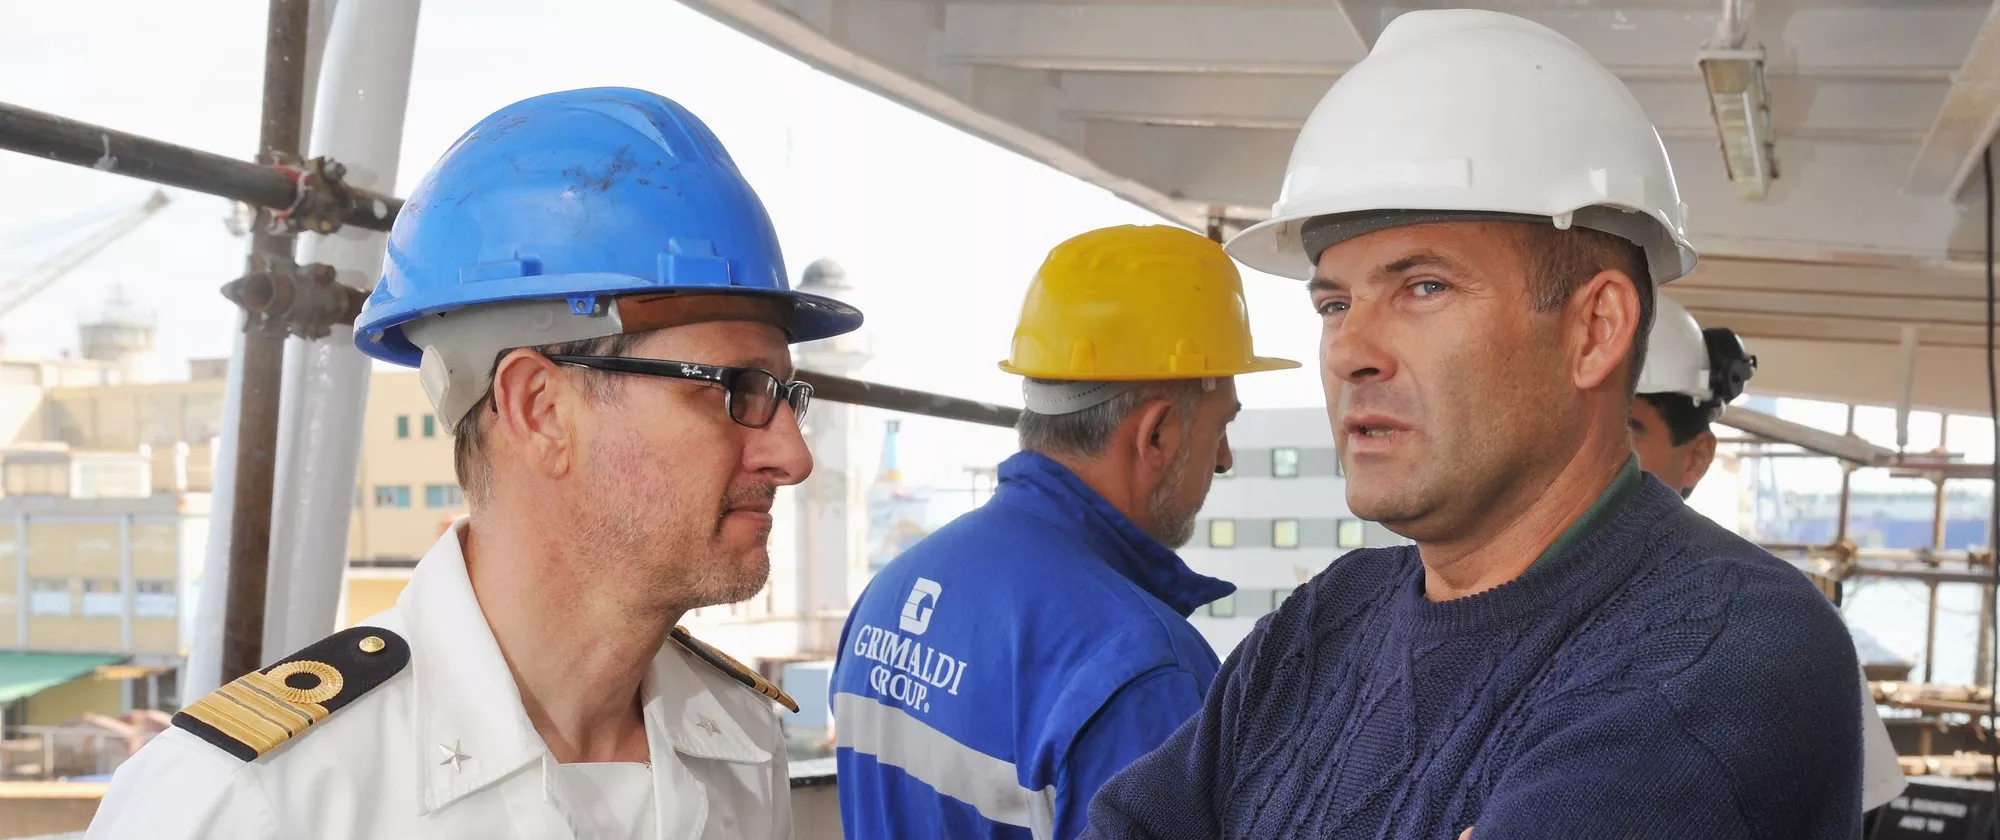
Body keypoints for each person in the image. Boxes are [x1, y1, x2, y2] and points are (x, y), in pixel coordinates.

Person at [1083, 10, 1862, 839]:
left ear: (1594, 329)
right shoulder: (1331, 619)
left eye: (1423, 287)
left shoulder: (1728, 656)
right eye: (1335, 302)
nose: (1350, 350)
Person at [86, 87, 862, 839]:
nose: (791, 455)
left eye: (786, 395)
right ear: (539, 408)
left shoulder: (739, 737)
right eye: (737, 390)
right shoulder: (252, 804)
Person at [830, 224, 1298, 840]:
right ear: (1156, 434)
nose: (1224, 459)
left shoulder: (891, 591)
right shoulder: (1142, 669)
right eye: (1220, 426)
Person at [1631, 297, 1909, 821]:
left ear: (1695, 456)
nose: (1580, 455)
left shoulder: (1780, 629)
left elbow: (1848, 812)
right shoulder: (1457, 591)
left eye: (1625, 430)